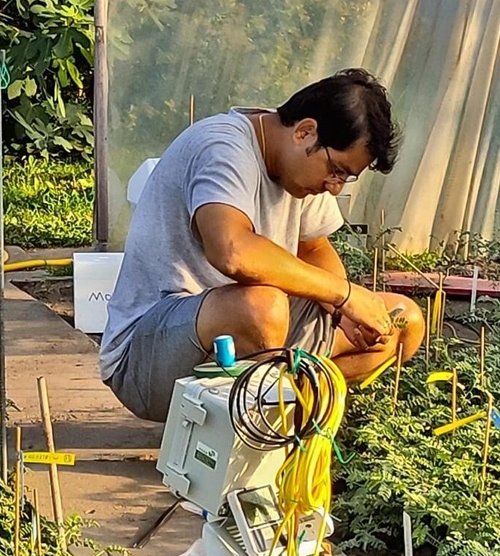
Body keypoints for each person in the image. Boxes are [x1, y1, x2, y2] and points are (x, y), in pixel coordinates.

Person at [100, 69, 425, 423]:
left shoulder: (301, 171)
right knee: (261, 307)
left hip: (257, 337)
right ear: (305, 131)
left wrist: (342, 314)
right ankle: (253, 431)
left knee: (400, 323)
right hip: (150, 357)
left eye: (346, 178)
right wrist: (343, 294)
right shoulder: (223, 147)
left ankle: (278, 409)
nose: (335, 187)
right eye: (336, 170)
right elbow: (231, 251)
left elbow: (314, 249)